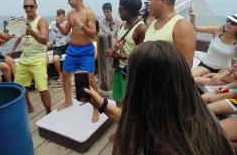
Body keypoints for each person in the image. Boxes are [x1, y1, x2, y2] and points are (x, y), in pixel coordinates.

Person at [84, 41, 235, 155]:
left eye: (128, 74)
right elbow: (139, 122)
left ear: (141, 88)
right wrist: (101, 104)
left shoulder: (158, 147)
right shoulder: (203, 124)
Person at [0, 0, 51, 114]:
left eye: (31, 6)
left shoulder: (41, 21)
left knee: (42, 89)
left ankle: (49, 112)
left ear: (36, 7)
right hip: (24, 60)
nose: (28, 9)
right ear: (23, 8)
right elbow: (6, 37)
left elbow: (44, 40)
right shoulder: (21, 22)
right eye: (26, 6)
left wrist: (32, 33)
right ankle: (29, 106)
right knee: (20, 87)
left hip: (38, 59)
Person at [56, 0, 99, 123]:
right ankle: (68, 101)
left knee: (90, 80)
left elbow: (93, 34)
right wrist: (58, 26)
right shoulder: (70, 13)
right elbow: (65, 32)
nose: (68, 2)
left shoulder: (89, 13)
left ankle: (97, 107)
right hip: (72, 50)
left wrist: (79, 25)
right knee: (65, 75)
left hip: (86, 50)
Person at [105, 0, 146, 106]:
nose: (118, 11)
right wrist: (113, 51)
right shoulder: (123, 25)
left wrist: (121, 57)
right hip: (119, 69)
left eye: (120, 9)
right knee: (117, 99)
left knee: (129, 103)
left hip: (130, 72)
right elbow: (122, 44)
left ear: (130, 11)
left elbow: (142, 56)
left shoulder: (141, 28)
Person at [144, 0, 196, 68]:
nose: (149, 3)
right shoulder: (152, 24)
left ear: (162, 0)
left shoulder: (182, 26)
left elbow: (186, 64)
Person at [190, 10, 237, 85]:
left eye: (233, 23)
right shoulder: (217, 30)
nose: (229, 23)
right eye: (229, 20)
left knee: (232, 80)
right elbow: (195, 28)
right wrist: (193, 17)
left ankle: (202, 79)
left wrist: (225, 73)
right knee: (188, 77)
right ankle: (206, 78)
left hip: (223, 69)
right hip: (206, 65)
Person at [48, 9, 69, 81]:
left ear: (65, 16)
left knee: (73, 56)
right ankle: (60, 75)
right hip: (57, 47)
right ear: (57, 16)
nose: (61, 18)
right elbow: (46, 32)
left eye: (62, 16)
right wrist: (47, 41)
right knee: (55, 59)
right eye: (59, 16)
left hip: (67, 45)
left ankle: (67, 73)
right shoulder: (53, 23)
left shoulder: (67, 23)